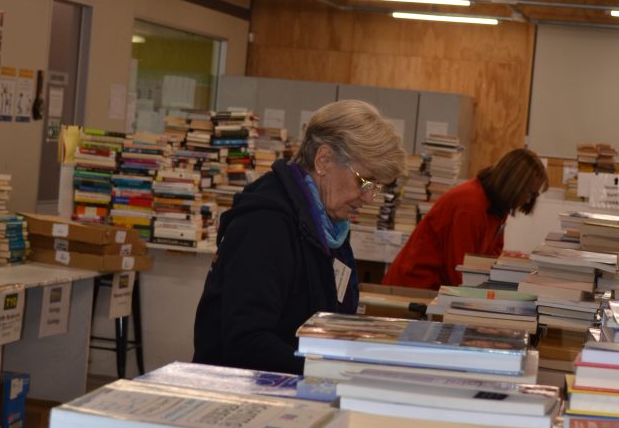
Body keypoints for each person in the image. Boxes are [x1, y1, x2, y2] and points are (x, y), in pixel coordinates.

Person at [193, 99, 407, 373]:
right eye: (364, 182)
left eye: (376, 187)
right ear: (324, 159)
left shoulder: (329, 224)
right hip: (242, 387)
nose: (369, 198)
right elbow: (246, 340)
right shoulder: (265, 224)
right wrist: (333, 369)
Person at [381, 147, 548, 292]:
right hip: (415, 288)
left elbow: (491, 259)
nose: (528, 200)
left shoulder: (497, 207)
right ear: (514, 185)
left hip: (436, 288)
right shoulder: (470, 205)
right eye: (529, 193)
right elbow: (460, 270)